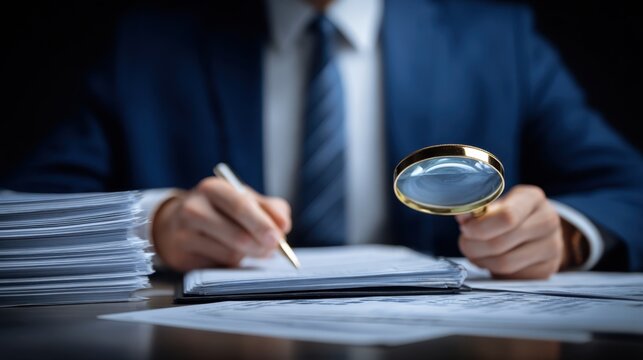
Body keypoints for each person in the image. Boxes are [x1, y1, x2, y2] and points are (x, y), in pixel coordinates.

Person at [2, 0, 642, 278]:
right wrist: (155, 224)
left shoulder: (497, 40)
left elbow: (629, 189)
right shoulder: (148, 46)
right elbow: (23, 214)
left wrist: (563, 234)